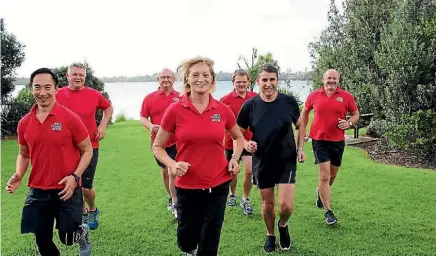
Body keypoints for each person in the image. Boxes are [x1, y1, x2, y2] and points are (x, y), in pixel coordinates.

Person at [153, 56, 244, 256]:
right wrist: (172, 164)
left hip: (219, 184)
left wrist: (234, 159)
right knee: (187, 239)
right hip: (187, 186)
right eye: (195, 75)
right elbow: (158, 146)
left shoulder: (222, 110)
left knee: (210, 241)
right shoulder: (175, 110)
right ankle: (189, 249)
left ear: (212, 80)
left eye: (205, 75)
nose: (200, 79)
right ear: (188, 80)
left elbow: (238, 138)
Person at [5, 68, 93, 256]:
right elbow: (24, 154)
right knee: (42, 240)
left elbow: (87, 150)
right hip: (38, 189)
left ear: (56, 89)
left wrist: (75, 176)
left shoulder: (70, 118)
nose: (42, 92)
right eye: (37, 87)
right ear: (31, 89)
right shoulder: (24, 123)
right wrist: (19, 174)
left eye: (47, 87)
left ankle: (82, 233)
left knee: (68, 237)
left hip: (67, 187)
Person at [236, 64, 306, 253]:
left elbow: (300, 125)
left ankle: (282, 226)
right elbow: (238, 133)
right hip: (262, 161)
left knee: (286, 206)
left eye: (272, 79)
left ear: (277, 80)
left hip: (287, 160)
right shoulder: (249, 106)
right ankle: (270, 234)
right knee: (268, 206)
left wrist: (300, 148)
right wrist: (245, 144)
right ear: (257, 81)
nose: (268, 84)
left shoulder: (289, 102)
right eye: (264, 80)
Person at [56, 62, 113, 230]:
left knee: (86, 187)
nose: (78, 77)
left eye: (81, 75)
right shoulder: (57, 94)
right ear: (67, 76)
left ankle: (93, 209)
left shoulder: (94, 94)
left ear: (85, 77)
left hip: (90, 146)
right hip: (66, 147)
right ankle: (82, 214)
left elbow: (108, 108)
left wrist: (102, 125)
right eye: (75, 74)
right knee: (74, 183)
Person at [300, 69, 360, 225]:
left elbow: (355, 113)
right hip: (319, 140)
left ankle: (321, 192)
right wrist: (303, 129)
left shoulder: (346, 96)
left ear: (338, 80)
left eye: (334, 78)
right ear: (323, 80)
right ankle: (328, 211)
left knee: (332, 175)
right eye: (329, 78)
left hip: (338, 141)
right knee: (324, 176)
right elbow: (305, 111)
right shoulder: (314, 95)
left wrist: (350, 123)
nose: (331, 81)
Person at [140, 68, 180, 218]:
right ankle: (171, 196)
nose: (166, 80)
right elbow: (143, 117)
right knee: (165, 171)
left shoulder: (181, 97)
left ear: (174, 79)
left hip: (178, 141)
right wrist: (151, 127)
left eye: (169, 77)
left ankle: (176, 201)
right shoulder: (149, 98)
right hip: (158, 142)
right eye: (163, 78)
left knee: (173, 171)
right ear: (158, 80)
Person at [219, 69, 257, 214]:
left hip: (250, 143)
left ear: (248, 82)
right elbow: (221, 123)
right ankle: (232, 194)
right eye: (238, 82)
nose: (241, 84)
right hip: (230, 143)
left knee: (249, 171)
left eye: (244, 81)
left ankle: (245, 198)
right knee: (232, 171)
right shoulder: (225, 100)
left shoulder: (255, 97)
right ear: (233, 82)